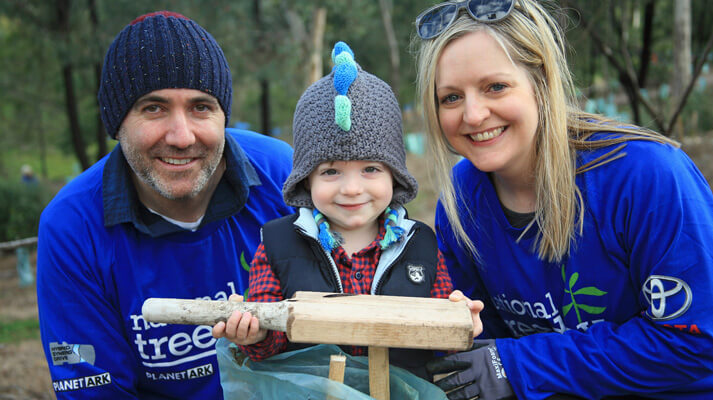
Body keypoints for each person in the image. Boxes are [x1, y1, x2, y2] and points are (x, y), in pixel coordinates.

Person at [413, 0, 713, 399]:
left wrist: (522, 364)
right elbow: (487, 347)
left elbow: (696, 340)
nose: (472, 114)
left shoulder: (647, 176)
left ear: (541, 81)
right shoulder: (461, 199)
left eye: (495, 87)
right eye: (450, 97)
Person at [36, 11, 293, 399]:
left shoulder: (283, 175)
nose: (181, 136)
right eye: (153, 108)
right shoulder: (71, 227)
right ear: (117, 122)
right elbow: (94, 389)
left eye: (201, 107)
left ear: (224, 115)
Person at [212, 41, 478, 381]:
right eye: (330, 172)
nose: (351, 188)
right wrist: (253, 335)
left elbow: (441, 345)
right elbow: (271, 343)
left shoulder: (421, 245)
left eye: (371, 169)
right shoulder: (277, 244)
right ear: (306, 180)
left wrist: (461, 323)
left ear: (394, 175)